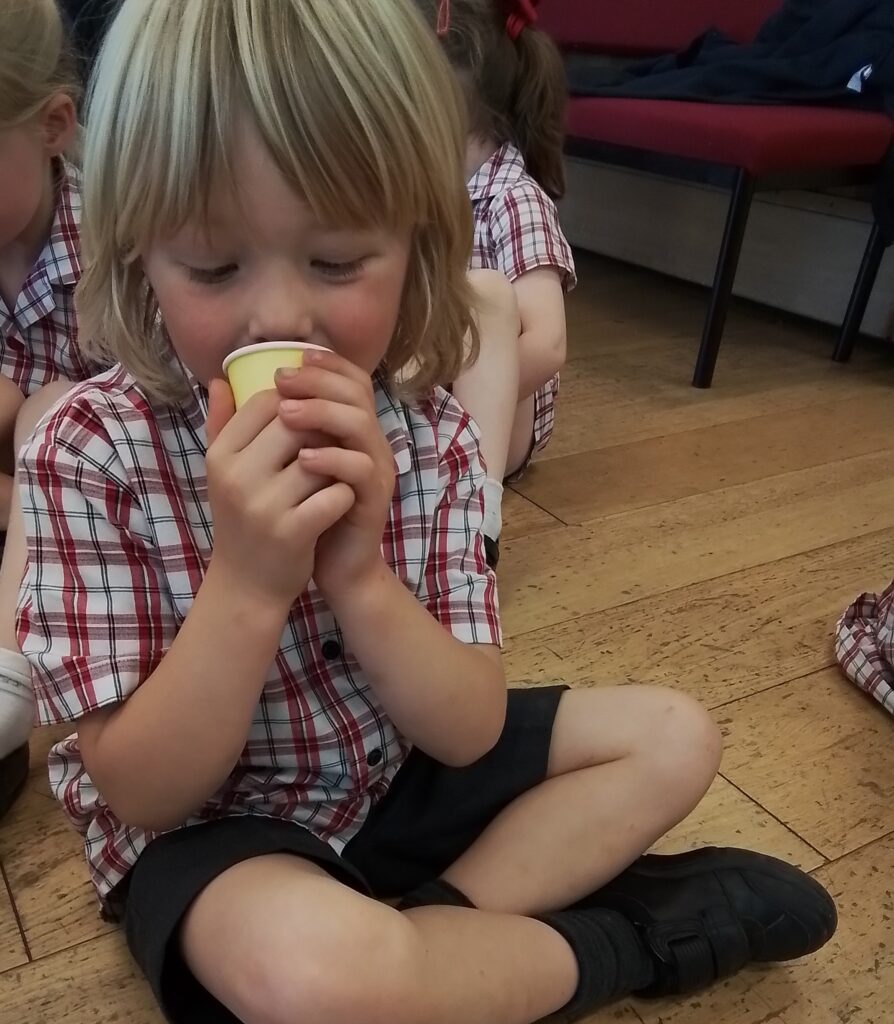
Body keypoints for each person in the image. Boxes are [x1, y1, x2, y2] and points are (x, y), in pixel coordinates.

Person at [19, 1, 835, 1022]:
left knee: (675, 735)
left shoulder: (434, 433)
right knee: (314, 977)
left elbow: (465, 725)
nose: (280, 316)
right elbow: (142, 793)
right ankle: (622, 939)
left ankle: (442, 936)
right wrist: (247, 584)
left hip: (392, 772)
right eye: (215, 267)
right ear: (139, 255)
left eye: (335, 260)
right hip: (216, 835)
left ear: (419, 247)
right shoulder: (91, 451)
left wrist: (358, 578)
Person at [418, 0, 576, 564]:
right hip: (444, 390)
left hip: (502, 415)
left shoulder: (514, 198)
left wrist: (440, 388)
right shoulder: (431, 193)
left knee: (484, 298)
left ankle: (475, 521)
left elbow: (548, 343)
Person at [0, 0, 90, 819]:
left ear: (53, 125)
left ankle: (9, 677)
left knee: (53, 409)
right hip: (22, 508)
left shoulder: (111, 243)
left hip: (108, 503)